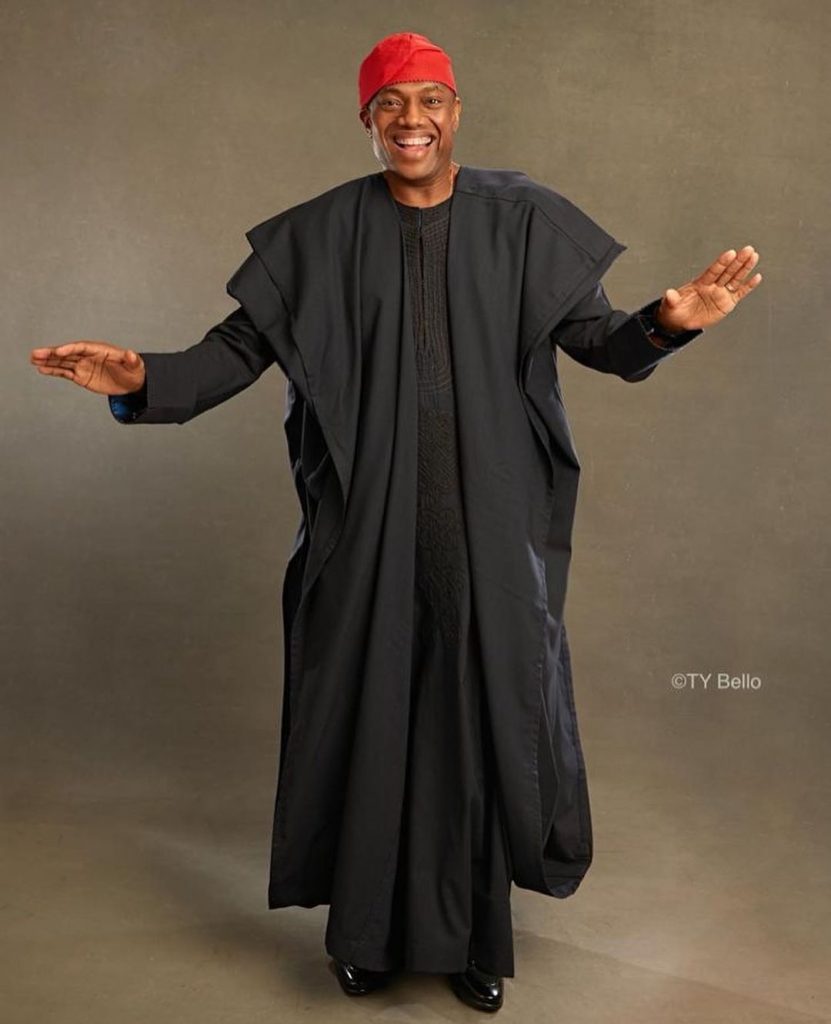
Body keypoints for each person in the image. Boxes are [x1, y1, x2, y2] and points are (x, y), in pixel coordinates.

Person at [30, 30, 762, 1014]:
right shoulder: (318, 237)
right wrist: (139, 377)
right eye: (389, 103)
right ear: (366, 120)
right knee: (370, 728)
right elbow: (228, 355)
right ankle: (365, 938)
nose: (411, 119)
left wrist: (668, 322)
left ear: (456, 113)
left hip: (486, 536)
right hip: (363, 536)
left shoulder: (523, 221)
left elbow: (599, 340)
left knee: (475, 727)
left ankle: (473, 943)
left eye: (430, 100)